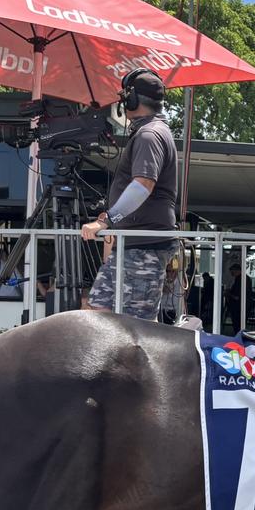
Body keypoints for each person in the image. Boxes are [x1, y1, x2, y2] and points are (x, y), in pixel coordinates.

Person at [81, 68, 178, 321]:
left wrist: (106, 220)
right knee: (96, 314)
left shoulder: (149, 135)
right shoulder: (151, 132)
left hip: (144, 247)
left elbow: (143, 184)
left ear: (132, 100)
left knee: (136, 328)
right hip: (135, 245)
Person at [225, 263, 243, 332]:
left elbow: (237, 297)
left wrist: (228, 294)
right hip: (238, 306)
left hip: (238, 307)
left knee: (237, 324)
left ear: (236, 271)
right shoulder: (239, 279)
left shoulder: (240, 280)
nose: (231, 273)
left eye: (232, 271)